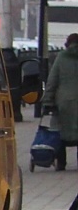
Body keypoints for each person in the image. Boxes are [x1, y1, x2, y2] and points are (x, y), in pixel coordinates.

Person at [41, 32, 78, 169]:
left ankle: (61, 163)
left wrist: (47, 101)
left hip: (63, 103)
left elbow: (52, 81)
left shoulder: (61, 58)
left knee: (59, 133)